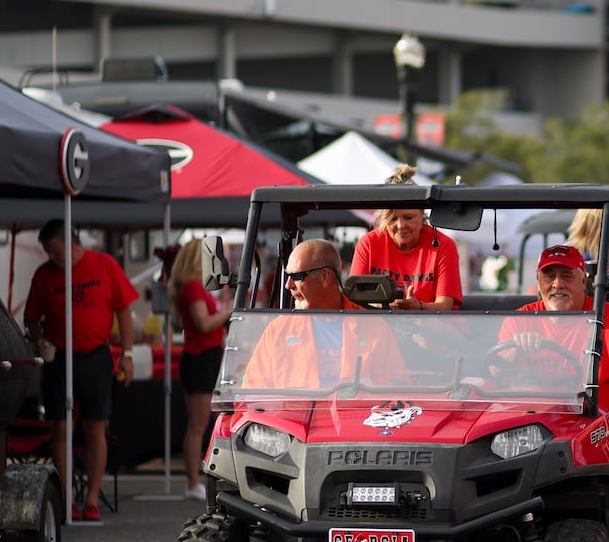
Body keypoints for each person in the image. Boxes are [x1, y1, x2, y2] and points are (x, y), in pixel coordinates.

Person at [497, 244, 609, 505]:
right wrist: (516, 353)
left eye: (566, 276)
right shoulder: (520, 321)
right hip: (540, 428)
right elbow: (494, 375)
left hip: (607, 424)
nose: (557, 284)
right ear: (538, 281)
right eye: (549, 276)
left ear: (583, 280)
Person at [23, 219, 138, 524]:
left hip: (96, 357)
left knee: (95, 427)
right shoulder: (44, 276)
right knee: (62, 428)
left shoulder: (104, 265)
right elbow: (31, 317)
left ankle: (91, 500)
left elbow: (124, 312)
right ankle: (66, 497)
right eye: (48, 252)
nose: (52, 257)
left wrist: (126, 354)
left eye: (55, 250)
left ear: (71, 243)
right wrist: (38, 340)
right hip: (60, 358)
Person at [244, 239, 403, 388]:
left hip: (355, 416)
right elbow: (252, 394)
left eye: (297, 276)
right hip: (293, 418)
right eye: (288, 276)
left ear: (325, 276)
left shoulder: (373, 328)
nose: (288, 285)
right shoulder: (278, 330)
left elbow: (395, 392)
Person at [168, 239, 232, 501]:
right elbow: (203, 324)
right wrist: (226, 313)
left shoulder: (197, 287)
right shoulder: (193, 287)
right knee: (197, 425)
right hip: (199, 357)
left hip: (205, 356)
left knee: (201, 423)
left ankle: (196, 479)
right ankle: (192, 481)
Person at [348, 164, 463, 311]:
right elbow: (354, 299)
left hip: (431, 329)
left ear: (422, 214)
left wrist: (419, 308)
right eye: (393, 219)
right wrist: (385, 306)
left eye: (408, 218)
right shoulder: (369, 243)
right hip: (379, 328)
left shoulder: (443, 245)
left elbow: (445, 305)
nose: (401, 225)